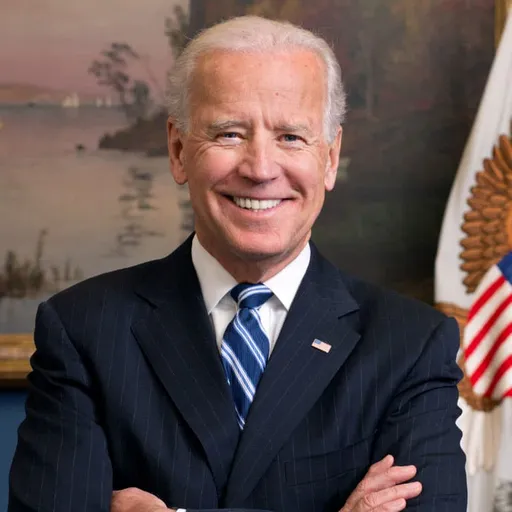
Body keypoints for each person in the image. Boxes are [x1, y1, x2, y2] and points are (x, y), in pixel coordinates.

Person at [9, 15, 467, 512]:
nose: (261, 168)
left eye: (291, 137)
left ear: (330, 158)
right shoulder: (83, 330)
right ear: (179, 149)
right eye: (229, 134)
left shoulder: (410, 346)